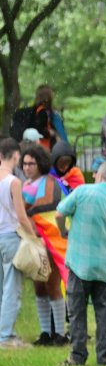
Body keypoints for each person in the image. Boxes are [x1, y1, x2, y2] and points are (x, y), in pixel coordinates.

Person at [56, 161, 106, 366]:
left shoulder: (83, 192)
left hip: (79, 264)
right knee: (105, 315)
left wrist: (63, 231)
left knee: (77, 312)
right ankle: (104, 359)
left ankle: (77, 356)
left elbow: (59, 213)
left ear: (99, 175)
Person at [21, 144, 68, 347]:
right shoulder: (23, 185)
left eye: (31, 163)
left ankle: (60, 333)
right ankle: (45, 333)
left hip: (49, 241)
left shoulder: (51, 183)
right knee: (39, 286)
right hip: (32, 242)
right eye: (24, 163)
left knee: (52, 284)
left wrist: (26, 211)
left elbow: (52, 204)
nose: (27, 167)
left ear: (40, 163)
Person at [0, 138, 41, 348]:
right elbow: (21, 215)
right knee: (11, 287)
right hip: (10, 236)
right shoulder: (13, 181)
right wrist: (33, 237)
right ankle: (5, 334)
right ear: (16, 156)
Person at [27, 85, 60, 150]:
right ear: (47, 97)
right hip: (42, 145)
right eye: (51, 95)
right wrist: (49, 133)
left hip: (45, 144)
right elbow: (38, 128)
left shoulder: (42, 110)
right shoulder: (41, 111)